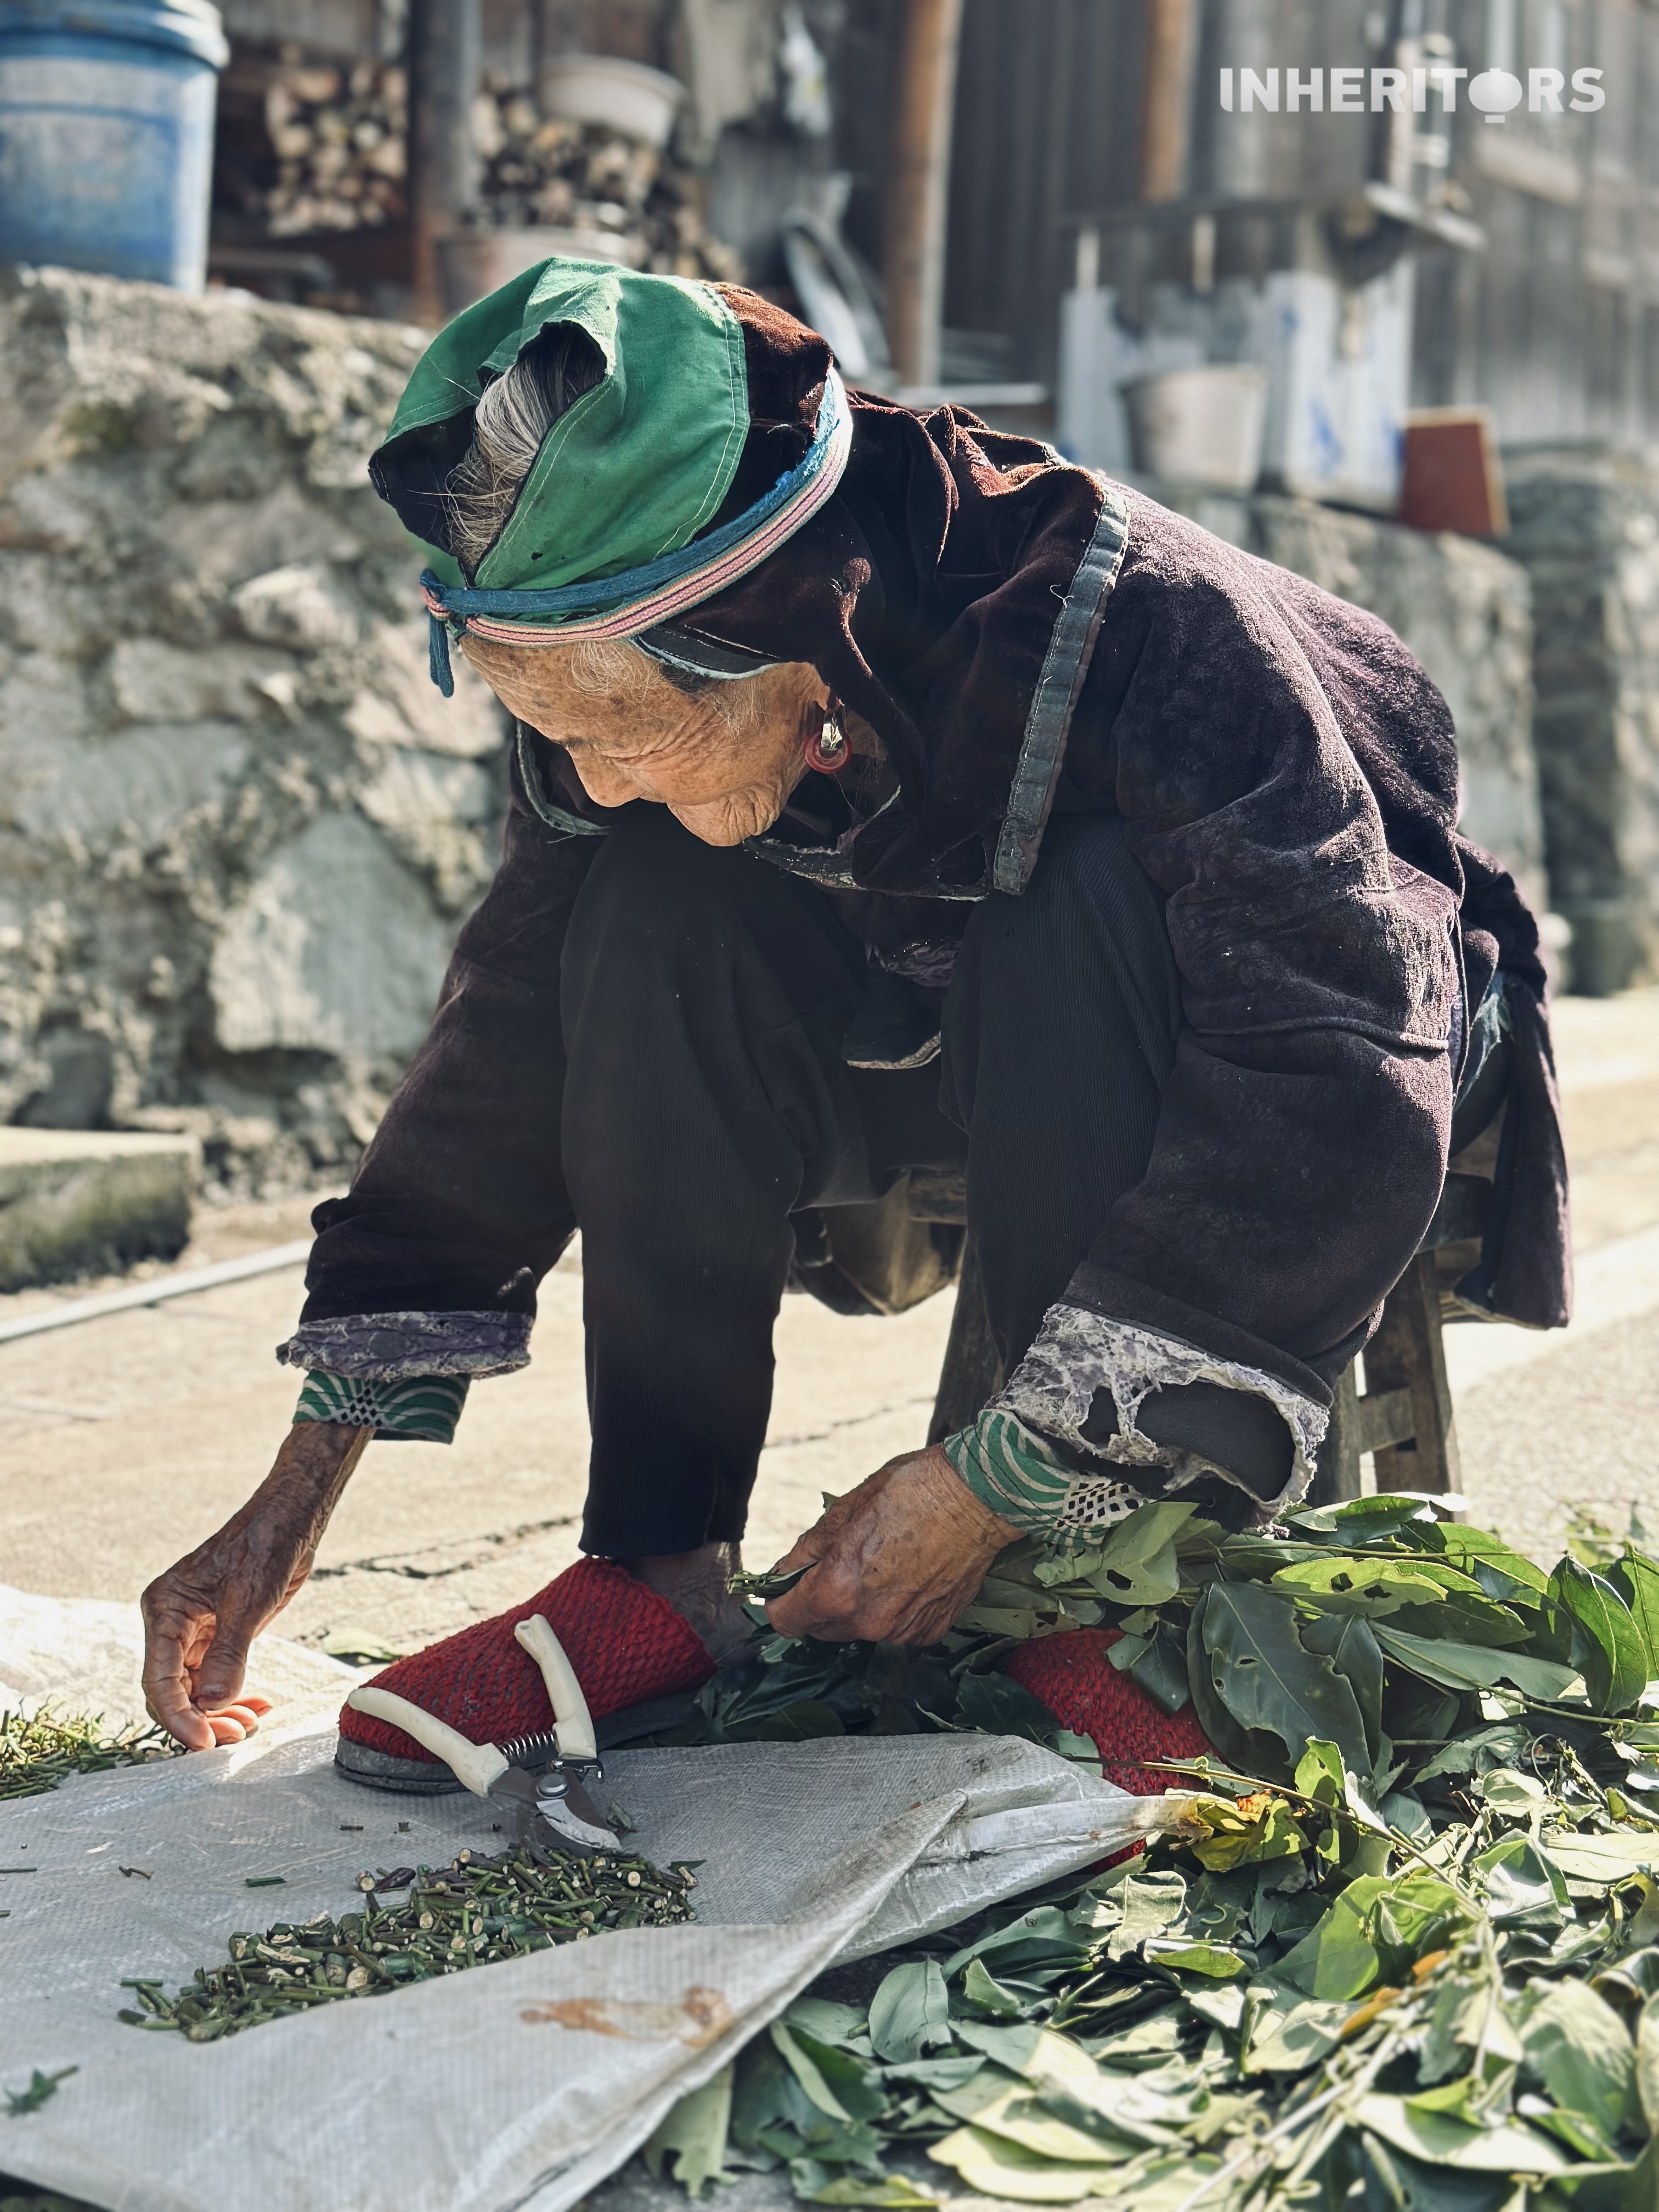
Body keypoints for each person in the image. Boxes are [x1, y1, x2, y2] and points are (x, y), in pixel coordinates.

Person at [139, 261, 1570, 1769]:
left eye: (630, 728)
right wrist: (297, 1493)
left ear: (799, 640)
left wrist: (988, 1486)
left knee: (1076, 891)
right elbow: (501, 1041)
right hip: (933, 1038)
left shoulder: (1149, 636)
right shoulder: (623, 726)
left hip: (1307, 1056)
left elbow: (1331, 1057)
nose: (598, 775)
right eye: (560, 735)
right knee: (638, 897)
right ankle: (658, 1571)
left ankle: (1109, 1602)